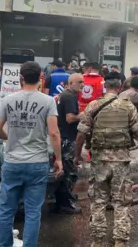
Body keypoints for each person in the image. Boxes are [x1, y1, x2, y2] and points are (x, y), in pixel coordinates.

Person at [0, 61, 63, 247]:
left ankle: (4, 245)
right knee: (33, 212)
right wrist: (59, 159)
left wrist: (9, 138)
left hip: (12, 161)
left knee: (6, 210)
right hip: (37, 162)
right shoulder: (48, 101)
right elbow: (54, 133)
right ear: (40, 77)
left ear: (20, 78)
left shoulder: (8, 100)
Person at [73, 72, 138, 247]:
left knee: (98, 202)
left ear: (105, 87)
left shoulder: (93, 105)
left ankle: (97, 241)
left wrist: (76, 155)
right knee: (121, 202)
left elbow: (81, 134)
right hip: (121, 161)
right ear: (119, 87)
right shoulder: (128, 107)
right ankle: (120, 241)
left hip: (99, 161)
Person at [55, 73, 84, 214]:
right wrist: (84, 115)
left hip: (63, 137)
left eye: (83, 82)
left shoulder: (66, 95)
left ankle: (62, 199)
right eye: (79, 82)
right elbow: (70, 118)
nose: (82, 84)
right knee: (70, 172)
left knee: (64, 172)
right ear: (71, 83)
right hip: (67, 139)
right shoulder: (69, 96)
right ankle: (66, 203)